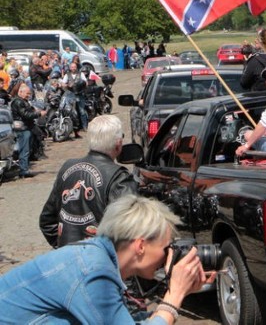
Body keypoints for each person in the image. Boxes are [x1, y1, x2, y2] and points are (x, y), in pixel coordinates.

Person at [0, 194, 216, 324]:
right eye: (165, 247)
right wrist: (174, 296)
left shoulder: (97, 257)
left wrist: (182, 290)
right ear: (140, 245)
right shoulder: (93, 270)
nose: (168, 255)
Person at [39, 115, 138, 248]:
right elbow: (129, 229)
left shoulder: (67, 167)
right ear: (118, 143)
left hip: (69, 260)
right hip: (101, 263)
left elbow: (47, 221)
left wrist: (62, 248)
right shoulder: (119, 177)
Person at [10, 84, 46, 177]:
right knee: (24, 150)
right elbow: (25, 114)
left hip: (26, 127)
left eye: (29, 93)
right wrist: (38, 114)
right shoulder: (18, 102)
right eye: (27, 93)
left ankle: (24, 168)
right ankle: (23, 171)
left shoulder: (23, 101)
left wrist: (35, 110)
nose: (28, 95)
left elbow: (28, 111)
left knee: (27, 149)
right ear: (20, 92)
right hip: (22, 128)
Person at [62, 62, 88, 136]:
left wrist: (82, 85)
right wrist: (67, 85)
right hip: (71, 95)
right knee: (70, 111)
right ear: (70, 68)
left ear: (76, 67)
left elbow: (86, 82)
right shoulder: (67, 75)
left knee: (82, 111)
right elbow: (63, 83)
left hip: (80, 94)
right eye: (72, 67)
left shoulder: (81, 74)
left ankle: (85, 126)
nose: (73, 68)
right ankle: (72, 128)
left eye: (74, 67)